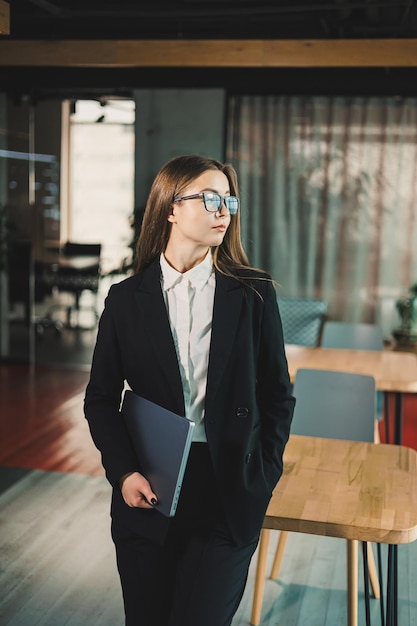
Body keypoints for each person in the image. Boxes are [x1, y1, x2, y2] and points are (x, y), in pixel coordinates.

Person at [84, 153, 295, 626]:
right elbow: (99, 399)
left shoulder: (254, 293)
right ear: (170, 209)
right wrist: (123, 474)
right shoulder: (125, 300)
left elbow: (278, 394)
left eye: (229, 200)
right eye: (210, 198)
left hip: (228, 488)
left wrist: (264, 473)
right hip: (150, 487)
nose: (224, 210)